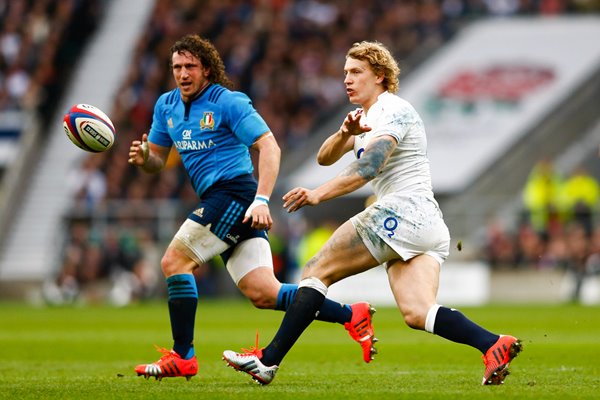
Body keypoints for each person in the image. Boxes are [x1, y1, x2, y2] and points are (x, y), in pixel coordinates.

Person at [223, 41, 523, 386]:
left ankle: (268, 360)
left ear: (380, 76)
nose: (347, 80)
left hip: (403, 211)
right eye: (345, 73)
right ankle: (492, 344)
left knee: (316, 269)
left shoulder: (392, 109)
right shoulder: (365, 118)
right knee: (417, 312)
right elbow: (324, 157)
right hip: (425, 223)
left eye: (356, 72)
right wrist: (344, 133)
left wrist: (318, 193)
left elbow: (370, 166)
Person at [127, 34, 376, 381]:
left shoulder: (228, 102)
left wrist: (262, 200)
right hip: (219, 200)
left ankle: (183, 356)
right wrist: (145, 160)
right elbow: (157, 159)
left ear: (207, 69)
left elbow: (269, 145)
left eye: (190, 67)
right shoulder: (166, 106)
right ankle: (352, 315)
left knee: (174, 261)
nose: (183, 74)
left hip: (234, 195)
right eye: (177, 67)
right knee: (264, 293)